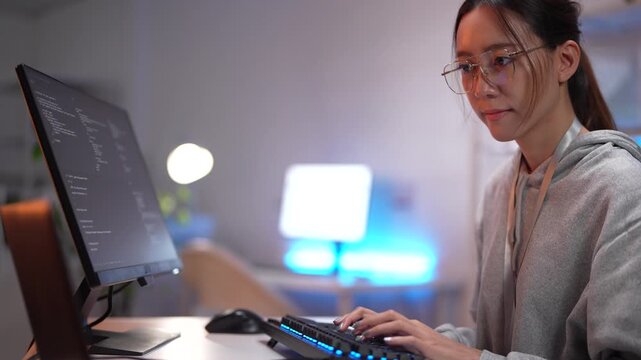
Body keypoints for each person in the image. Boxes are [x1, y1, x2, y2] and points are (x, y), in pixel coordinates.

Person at [333, 0, 641, 359]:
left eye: (501, 60)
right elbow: (494, 344)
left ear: (565, 61)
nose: (480, 89)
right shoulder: (500, 188)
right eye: (466, 67)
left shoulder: (621, 189)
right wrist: (414, 338)